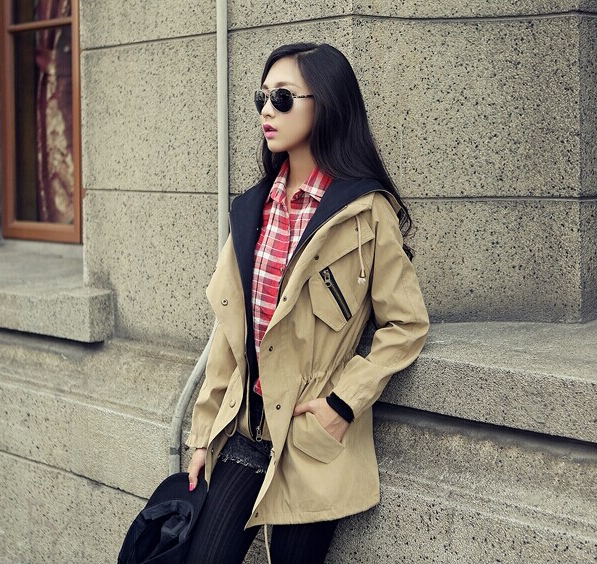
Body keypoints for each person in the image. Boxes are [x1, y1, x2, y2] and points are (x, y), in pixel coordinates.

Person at [183, 42, 429, 564]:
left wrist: (342, 405)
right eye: (262, 98)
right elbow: (230, 337)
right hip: (245, 428)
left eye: (283, 97)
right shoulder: (253, 209)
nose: (267, 111)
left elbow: (406, 324)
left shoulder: (366, 213)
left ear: (327, 105)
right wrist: (202, 435)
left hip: (309, 436)